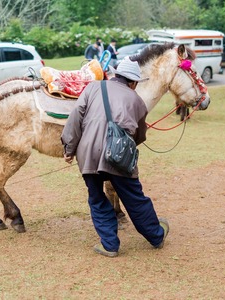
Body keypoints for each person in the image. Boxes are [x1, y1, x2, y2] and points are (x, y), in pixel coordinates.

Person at [61, 57, 169, 258]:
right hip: (118, 155)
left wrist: (69, 148)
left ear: (115, 75)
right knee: (135, 199)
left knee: (96, 198)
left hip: (88, 154)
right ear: (134, 82)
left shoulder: (94, 88)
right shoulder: (137, 101)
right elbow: (139, 136)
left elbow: (76, 117)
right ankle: (156, 236)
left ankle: (110, 245)